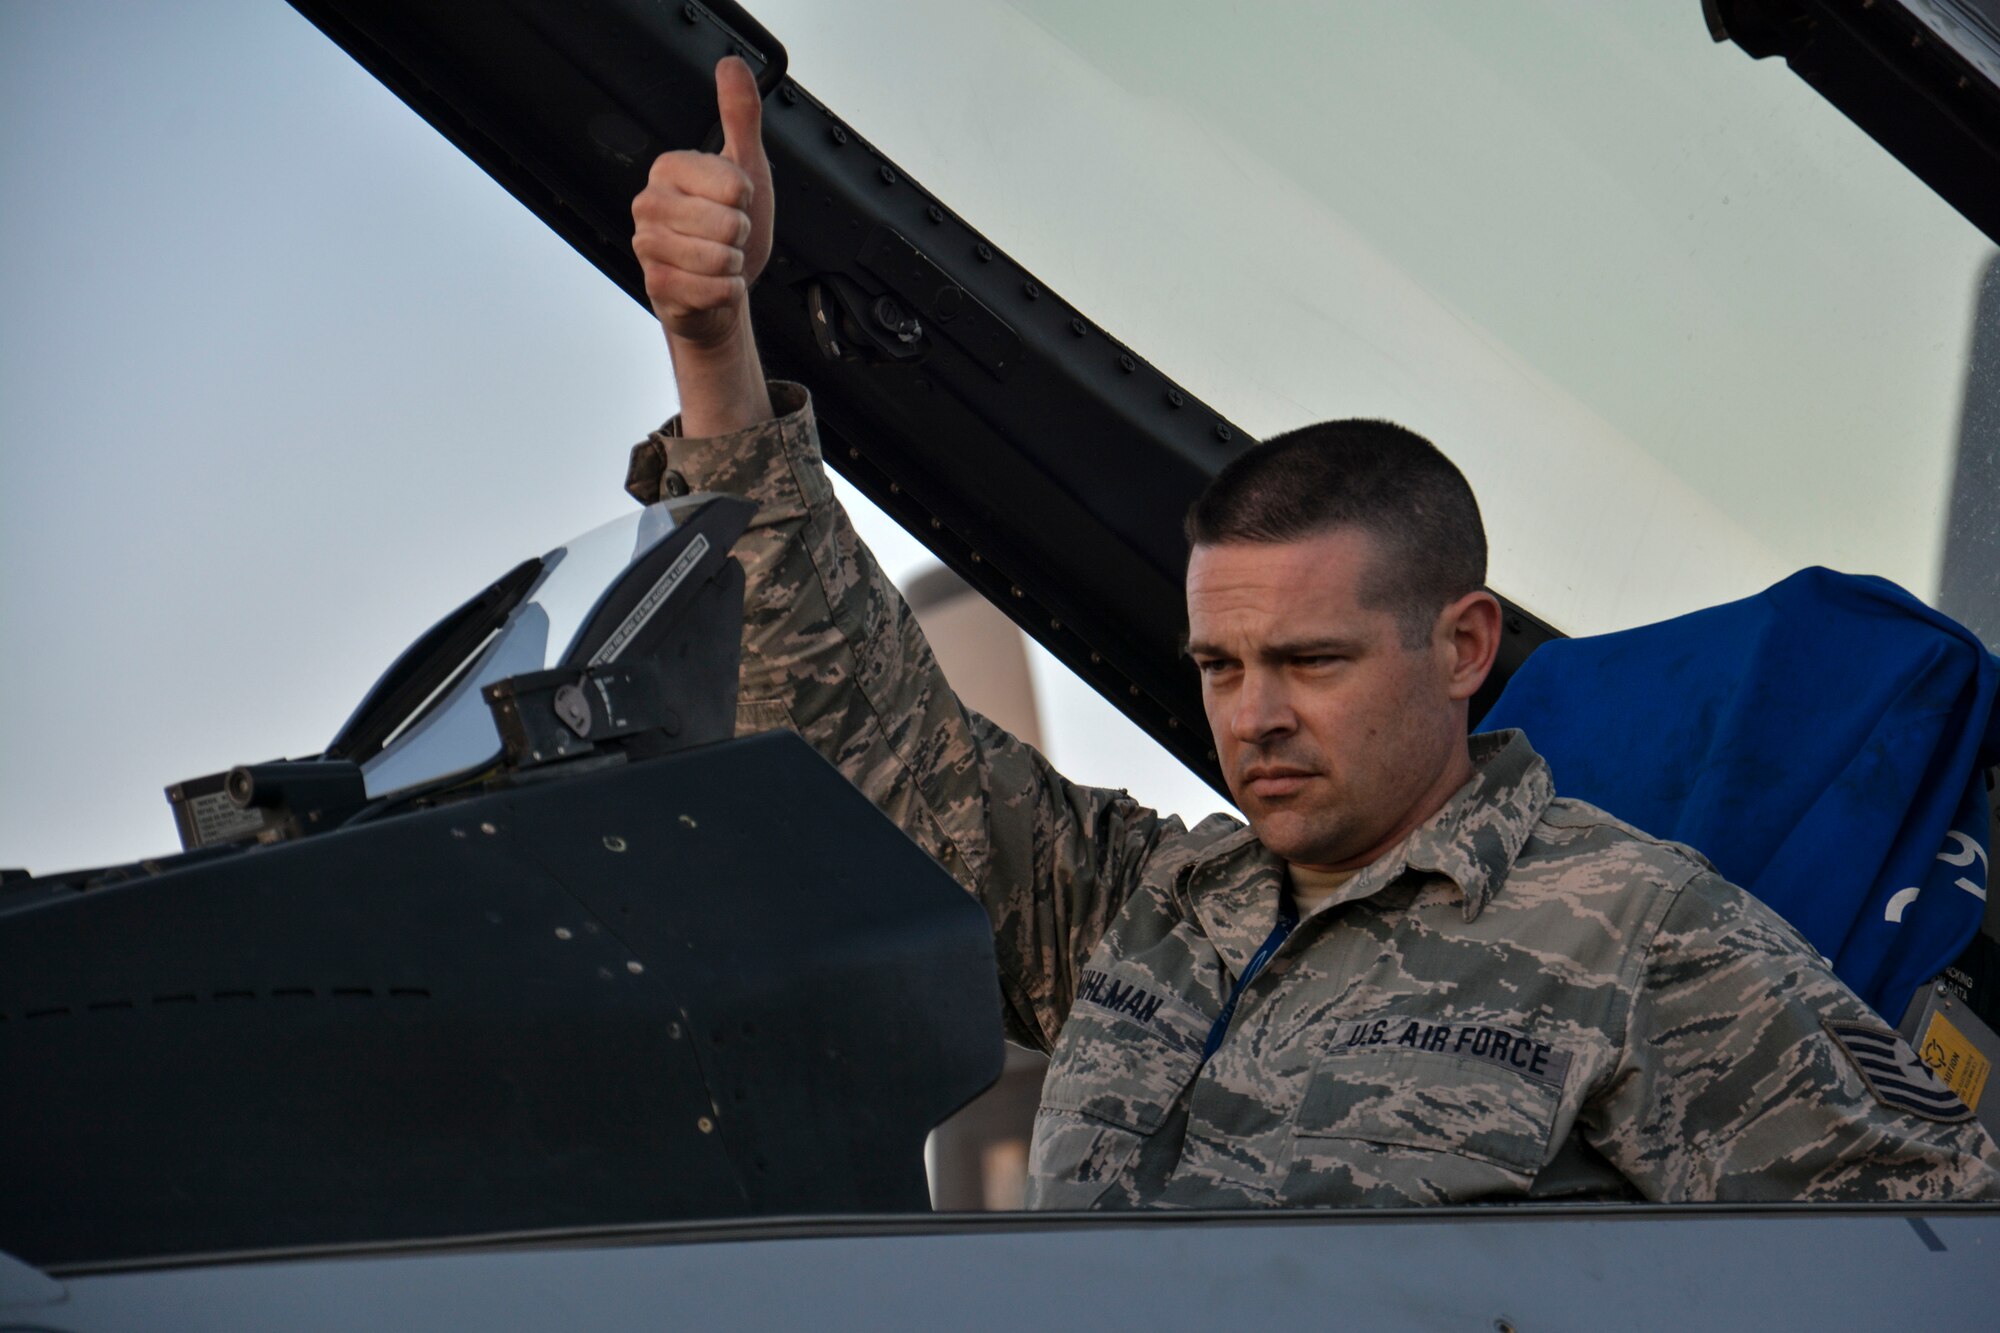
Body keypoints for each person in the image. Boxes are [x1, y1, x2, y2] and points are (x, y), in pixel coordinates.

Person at [624, 59, 2000, 1206]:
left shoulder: (1641, 943)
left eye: (1310, 662)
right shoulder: (1148, 910)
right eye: (1220, 665)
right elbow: (874, 759)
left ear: (1463, 647)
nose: (1252, 715)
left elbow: (1936, 1257)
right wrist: (714, 355)